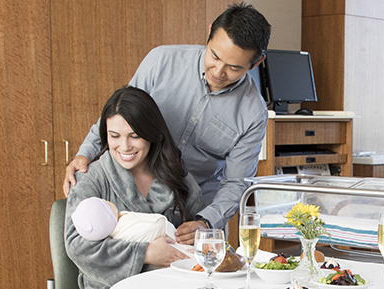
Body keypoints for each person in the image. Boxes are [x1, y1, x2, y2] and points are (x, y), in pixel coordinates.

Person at [63, 2, 272, 245]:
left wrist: (205, 222)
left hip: (194, 212)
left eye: (234, 68)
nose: (218, 71)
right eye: (214, 56)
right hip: (135, 198)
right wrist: (85, 153)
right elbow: (122, 110)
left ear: (256, 64)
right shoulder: (162, 61)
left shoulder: (252, 113)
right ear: (209, 34)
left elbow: (236, 182)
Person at [64, 87, 205, 288]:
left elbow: (207, 235)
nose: (125, 146)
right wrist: (146, 254)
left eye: (135, 136)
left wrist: (200, 229)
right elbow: (77, 246)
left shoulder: (177, 176)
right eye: (115, 136)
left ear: (152, 134)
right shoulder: (91, 178)